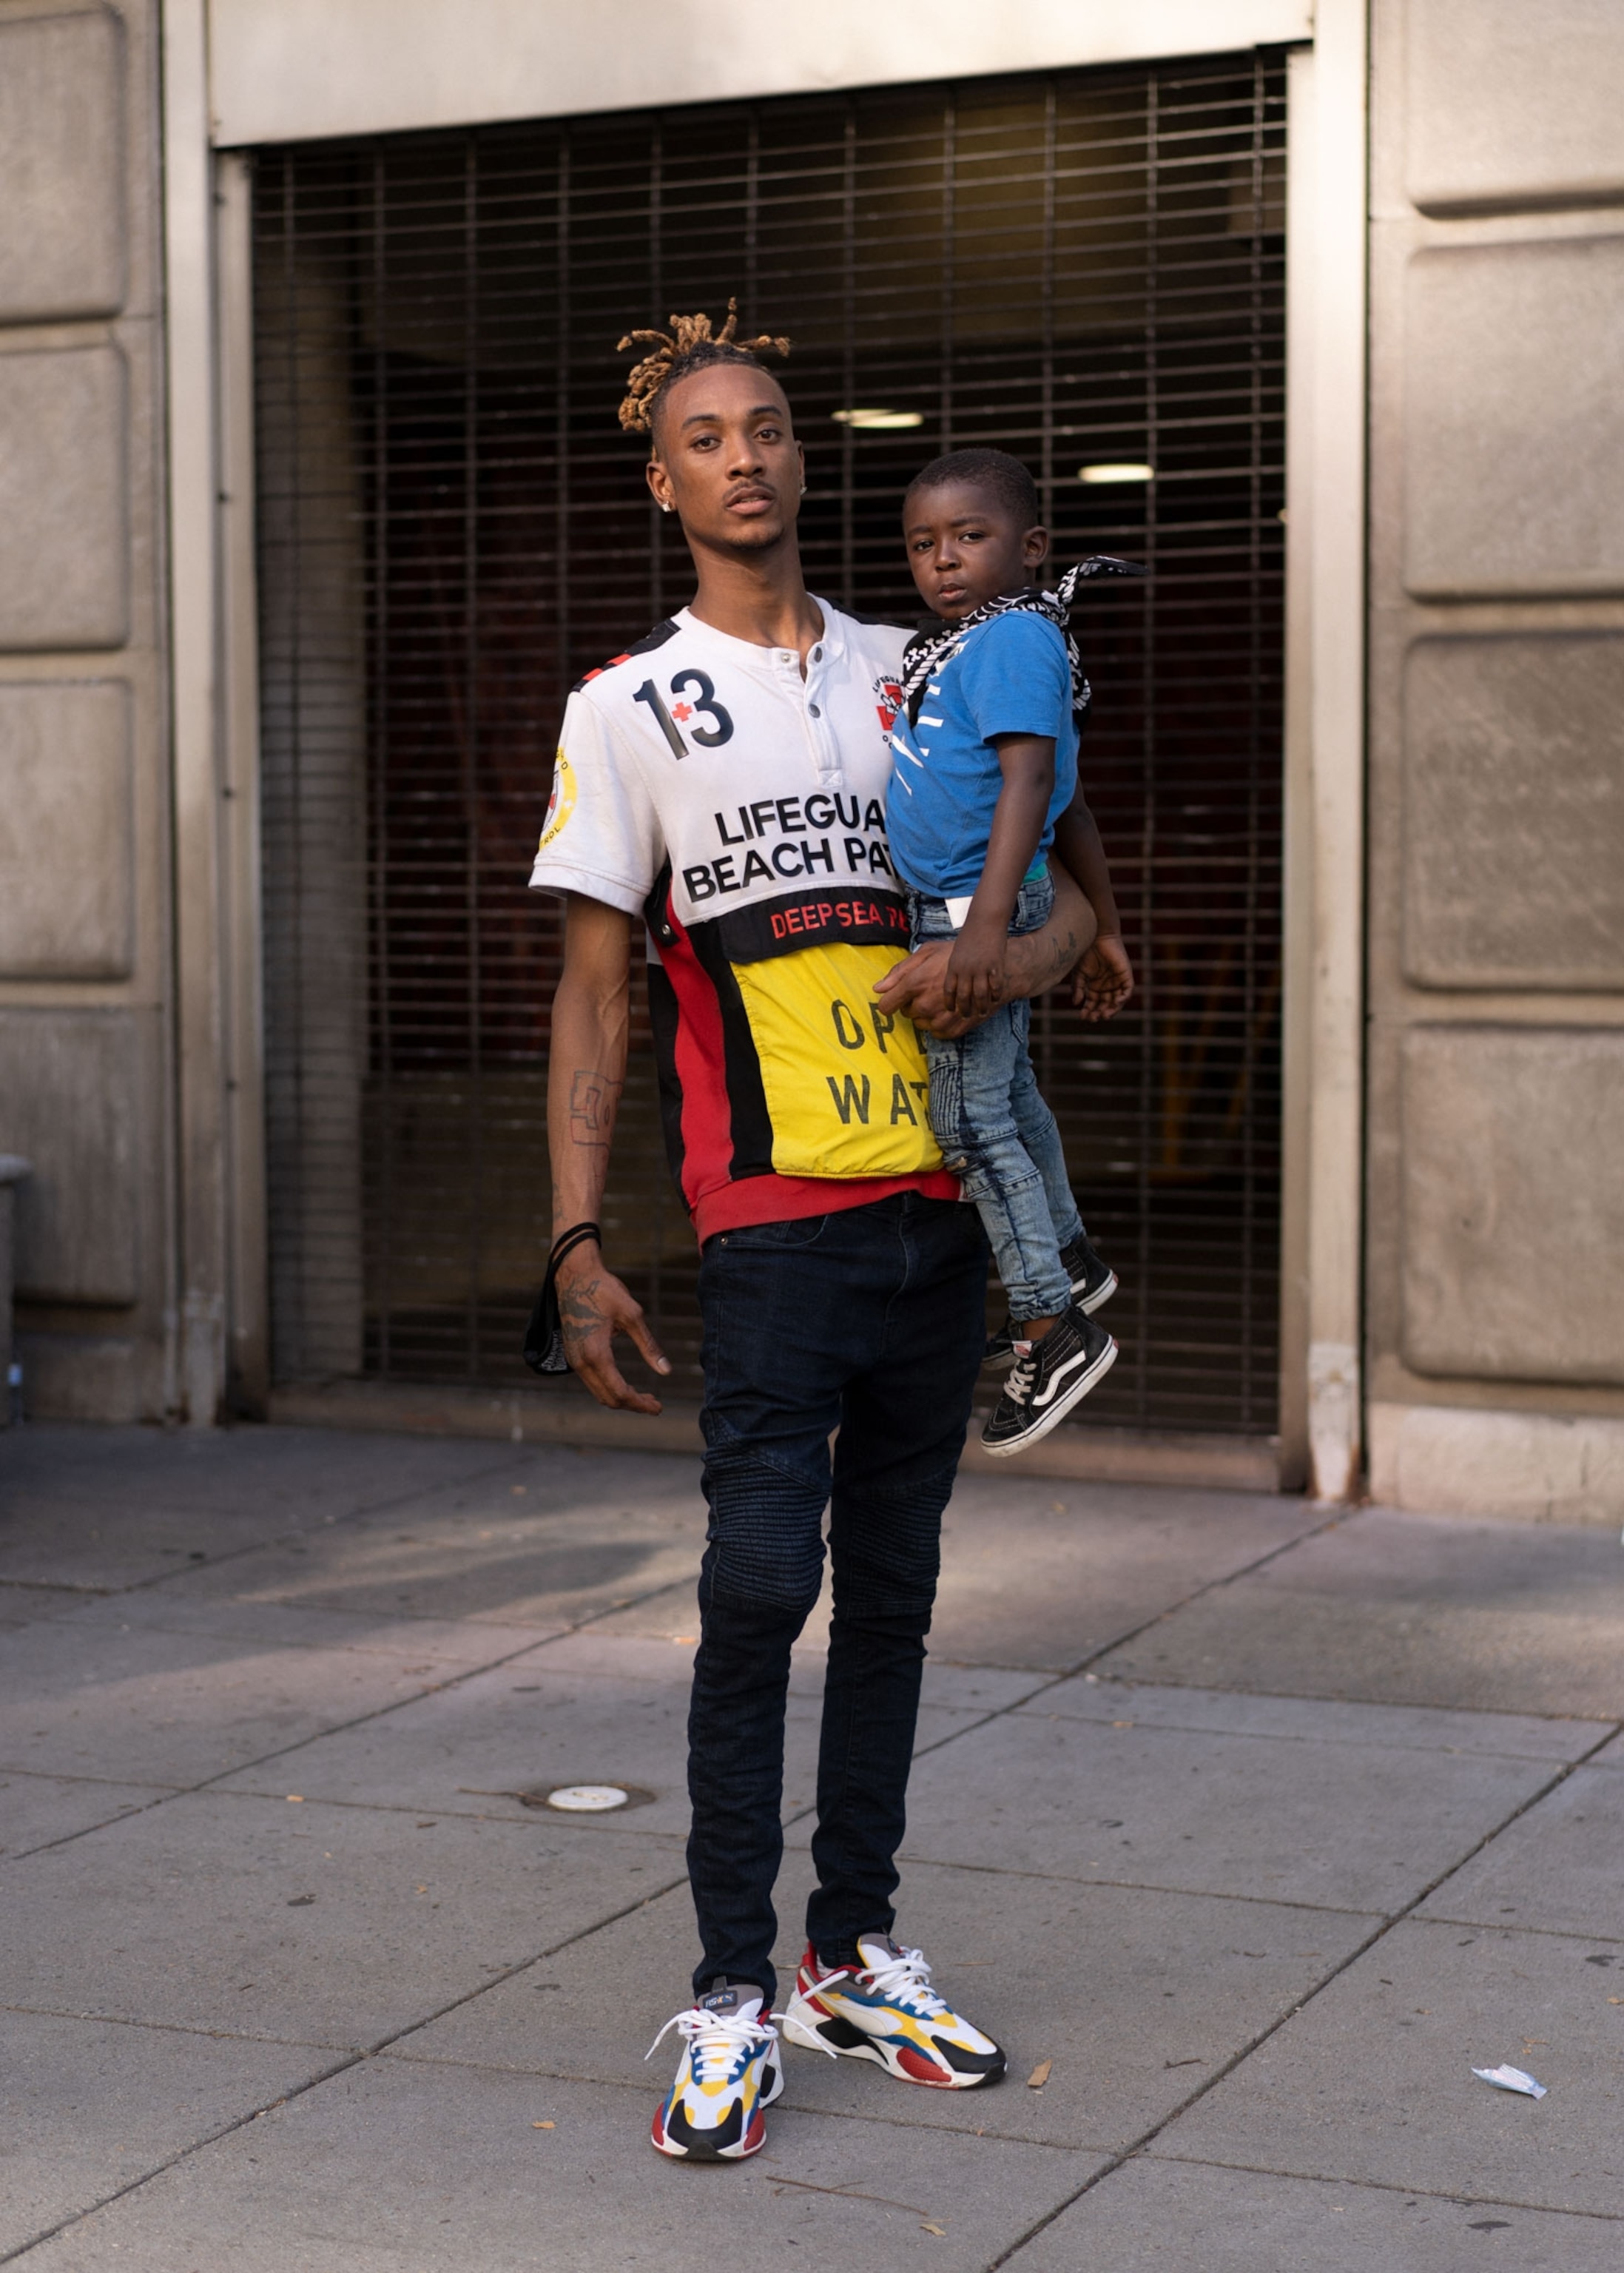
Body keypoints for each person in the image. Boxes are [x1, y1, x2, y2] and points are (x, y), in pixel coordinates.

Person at [530, 304, 1094, 2163]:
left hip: (943, 1219)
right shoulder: (625, 705)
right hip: (769, 1233)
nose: (749, 455)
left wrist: (1010, 953)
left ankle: (853, 1952)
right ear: (665, 480)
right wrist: (575, 1242)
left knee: (903, 1598)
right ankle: (726, 1990)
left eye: (770, 425)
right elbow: (599, 996)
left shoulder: (930, 663)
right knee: (758, 1597)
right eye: (709, 435)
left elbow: (1087, 916)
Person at [886, 448, 1140, 1456]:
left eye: (970, 537)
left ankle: (1051, 1324)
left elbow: (1034, 785)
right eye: (923, 544)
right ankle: (1070, 1260)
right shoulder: (972, 644)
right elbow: (1071, 801)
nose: (943, 560)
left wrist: (986, 927)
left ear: (1031, 548)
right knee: (1012, 1097)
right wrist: (1107, 924)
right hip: (965, 902)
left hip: (967, 911)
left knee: (971, 1124)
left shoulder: (1018, 640)